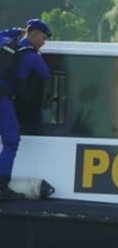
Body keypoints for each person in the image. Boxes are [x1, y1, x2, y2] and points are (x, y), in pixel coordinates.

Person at [0, 18, 51, 203]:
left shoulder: (6, 43)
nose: (44, 42)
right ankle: (1, 187)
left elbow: (2, 34)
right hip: (3, 99)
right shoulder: (31, 56)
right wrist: (38, 54)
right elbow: (45, 74)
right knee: (11, 141)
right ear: (34, 35)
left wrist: (16, 31)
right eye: (43, 38)